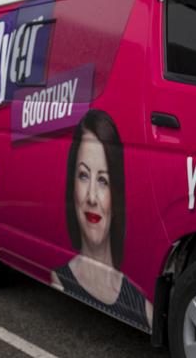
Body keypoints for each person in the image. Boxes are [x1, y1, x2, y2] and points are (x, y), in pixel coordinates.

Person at [50, 109, 152, 331]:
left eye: (103, 181)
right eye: (84, 176)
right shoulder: (57, 276)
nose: (92, 197)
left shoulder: (144, 307)